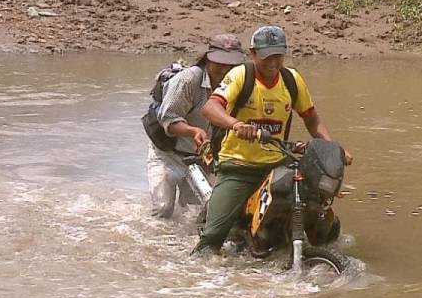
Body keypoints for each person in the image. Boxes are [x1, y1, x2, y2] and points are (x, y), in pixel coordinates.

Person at [192, 25, 352, 254]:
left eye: (278, 56)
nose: (273, 62)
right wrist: (236, 124)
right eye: (267, 56)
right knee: (212, 238)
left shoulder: (292, 79)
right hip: (239, 165)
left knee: (316, 203)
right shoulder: (240, 75)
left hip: (277, 163)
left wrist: (333, 148)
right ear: (253, 53)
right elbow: (210, 107)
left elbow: (312, 119)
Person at [146, 34, 245, 219]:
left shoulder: (239, 85)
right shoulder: (188, 80)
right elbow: (168, 118)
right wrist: (192, 131)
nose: (225, 69)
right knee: (163, 209)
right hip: (168, 153)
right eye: (220, 63)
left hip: (201, 158)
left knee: (193, 213)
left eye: (231, 65)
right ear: (208, 58)